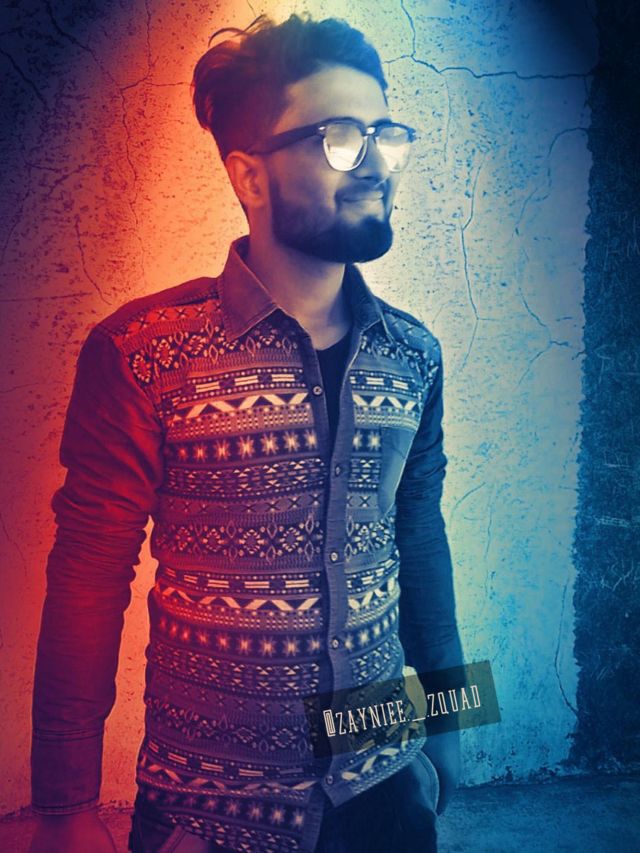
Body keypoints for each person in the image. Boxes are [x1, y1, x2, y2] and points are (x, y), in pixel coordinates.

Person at [29, 14, 464, 853]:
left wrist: (446, 722)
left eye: (384, 135)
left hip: (387, 792)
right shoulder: (142, 353)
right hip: (211, 814)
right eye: (339, 137)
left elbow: (418, 533)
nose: (375, 162)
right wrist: (63, 806)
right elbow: (88, 574)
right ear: (249, 175)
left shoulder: (414, 354)